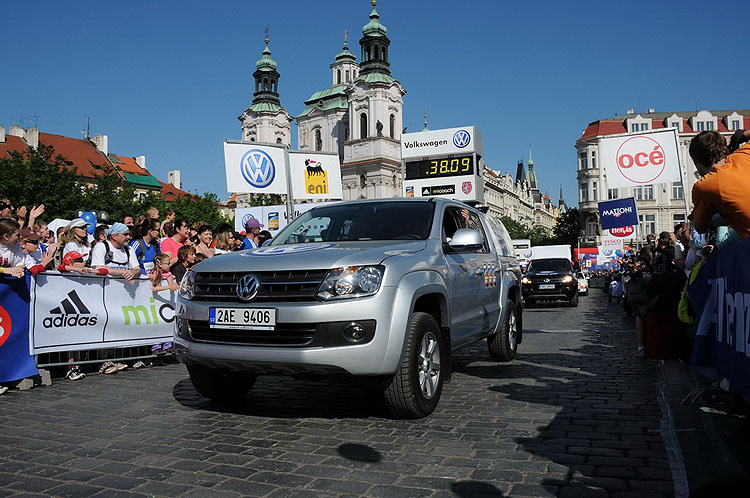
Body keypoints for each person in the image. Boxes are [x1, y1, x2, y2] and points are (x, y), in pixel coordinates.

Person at [690, 130, 750, 238]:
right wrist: (743, 135)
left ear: (696, 161)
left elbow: (700, 227)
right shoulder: (745, 153)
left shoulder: (704, 186)